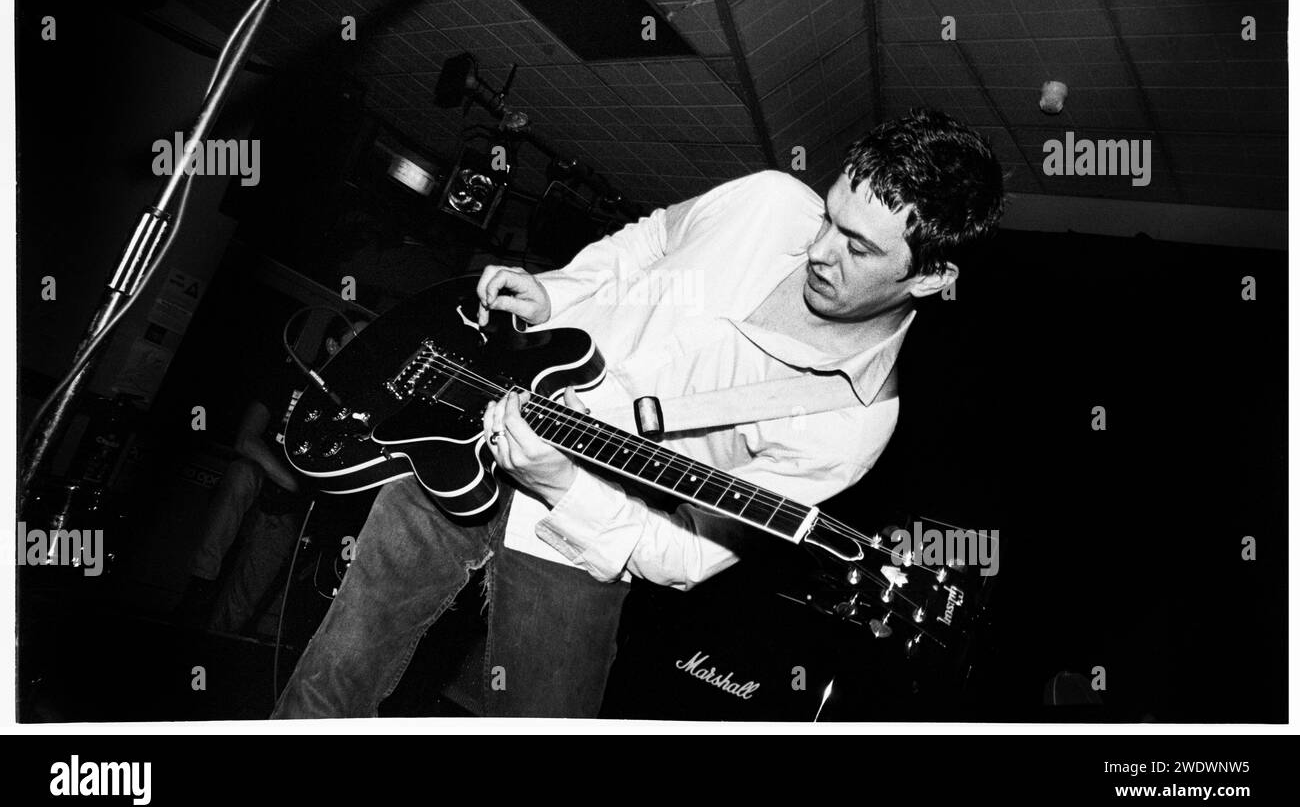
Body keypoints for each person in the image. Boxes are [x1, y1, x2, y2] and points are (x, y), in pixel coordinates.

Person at [272, 108, 1005, 718]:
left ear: (933, 276)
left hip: (576, 539)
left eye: (857, 247)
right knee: (327, 683)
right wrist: (559, 291)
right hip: (463, 430)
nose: (818, 250)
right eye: (830, 215)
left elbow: (688, 556)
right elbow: (653, 235)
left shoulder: (852, 423)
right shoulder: (772, 202)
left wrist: (563, 484)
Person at [176, 313, 367, 634]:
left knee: (242, 602)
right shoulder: (289, 377)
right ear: (333, 345)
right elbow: (246, 439)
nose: (364, 348)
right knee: (241, 473)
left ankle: (209, 649)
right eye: (355, 339)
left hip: (290, 509)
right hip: (263, 479)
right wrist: (292, 481)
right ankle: (200, 581)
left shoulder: (353, 402)